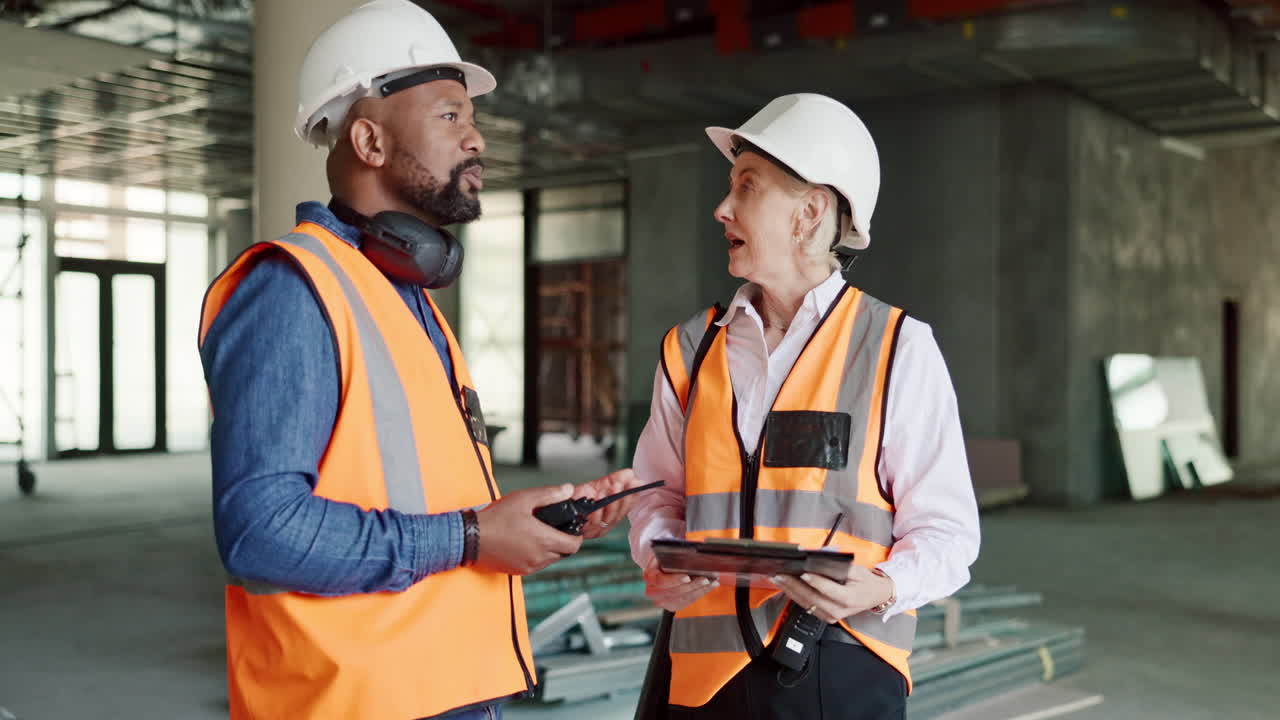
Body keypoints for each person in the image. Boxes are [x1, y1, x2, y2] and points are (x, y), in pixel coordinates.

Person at [198, 2, 635, 718]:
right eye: (449, 117)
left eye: (471, 120)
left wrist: (523, 522)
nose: (477, 139)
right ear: (368, 140)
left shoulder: (409, 299)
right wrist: (471, 537)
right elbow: (260, 530)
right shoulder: (293, 290)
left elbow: (419, 492)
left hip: (447, 690)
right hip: (362, 702)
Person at [627, 94, 981, 719]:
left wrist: (885, 585)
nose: (722, 208)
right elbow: (657, 495)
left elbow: (949, 532)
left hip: (838, 672)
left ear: (810, 213)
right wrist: (658, 552)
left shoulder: (896, 347)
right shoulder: (689, 349)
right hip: (702, 683)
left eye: (747, 187)